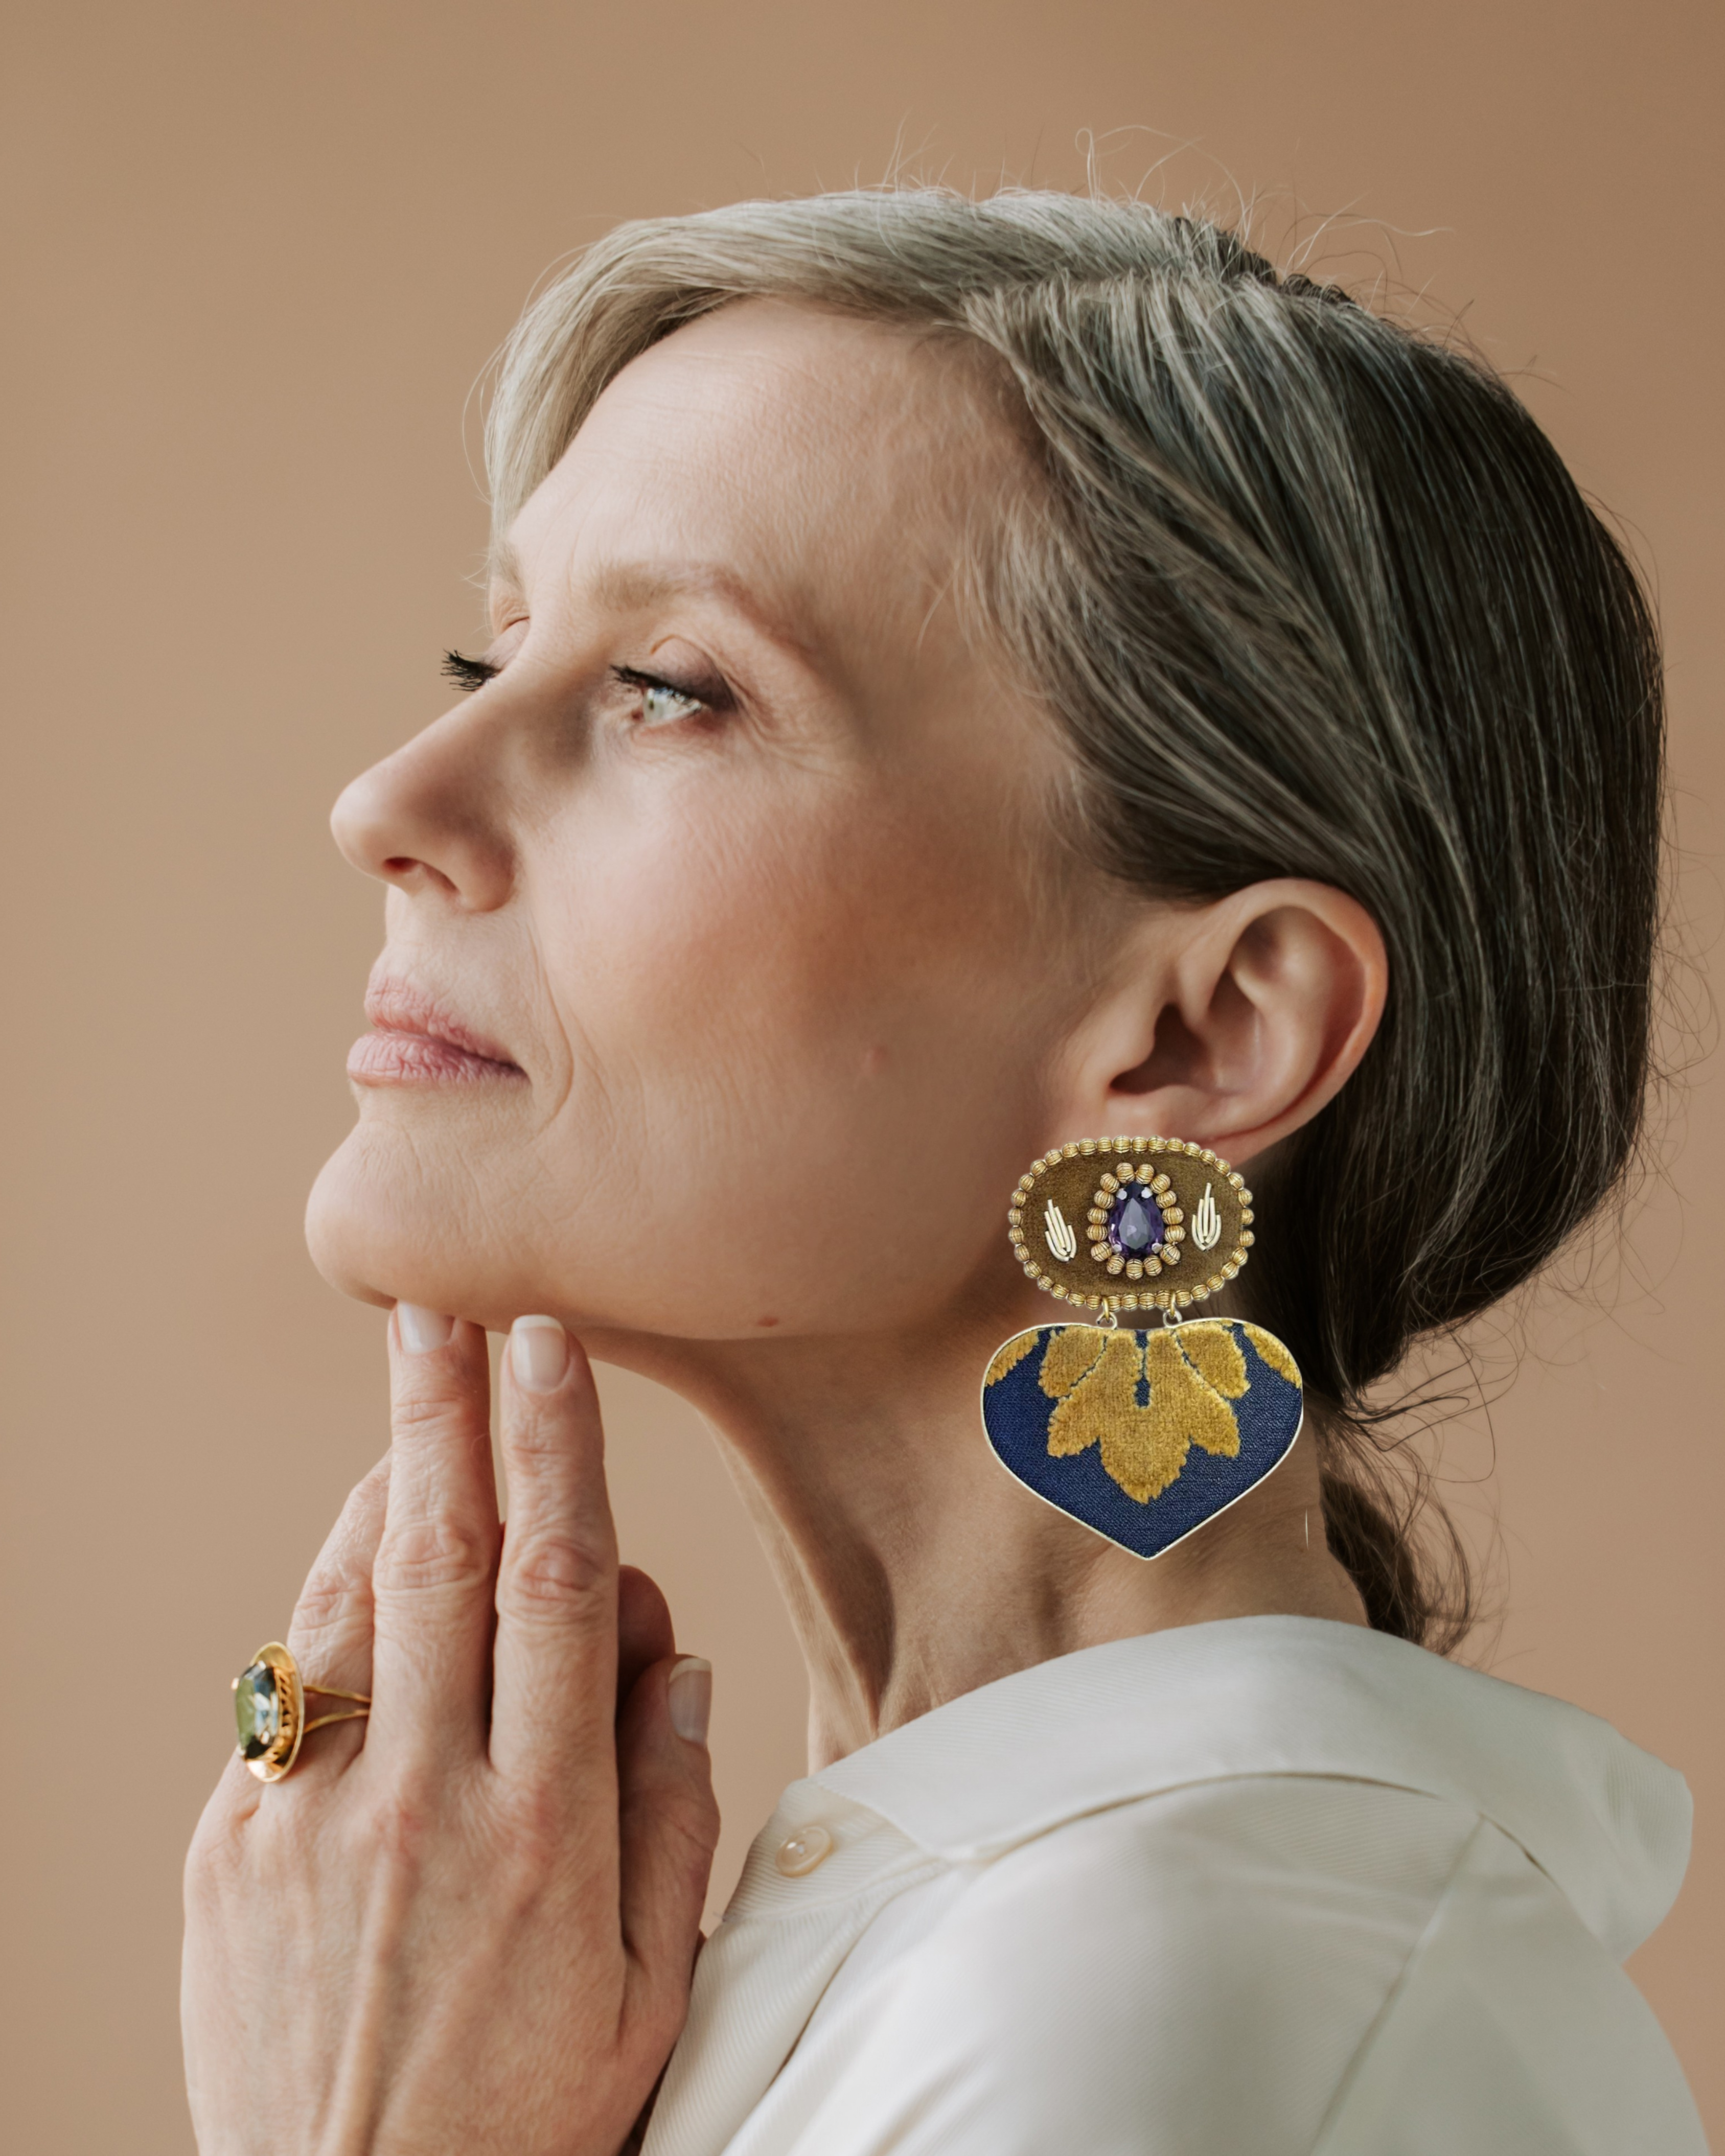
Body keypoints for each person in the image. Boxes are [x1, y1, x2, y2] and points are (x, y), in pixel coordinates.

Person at [181, 190, 1706, 2154]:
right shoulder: (975, 1943)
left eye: (673, 688)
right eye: (494, 654)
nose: (386, 800)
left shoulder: (1177, 2010)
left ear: (1204, 1033)